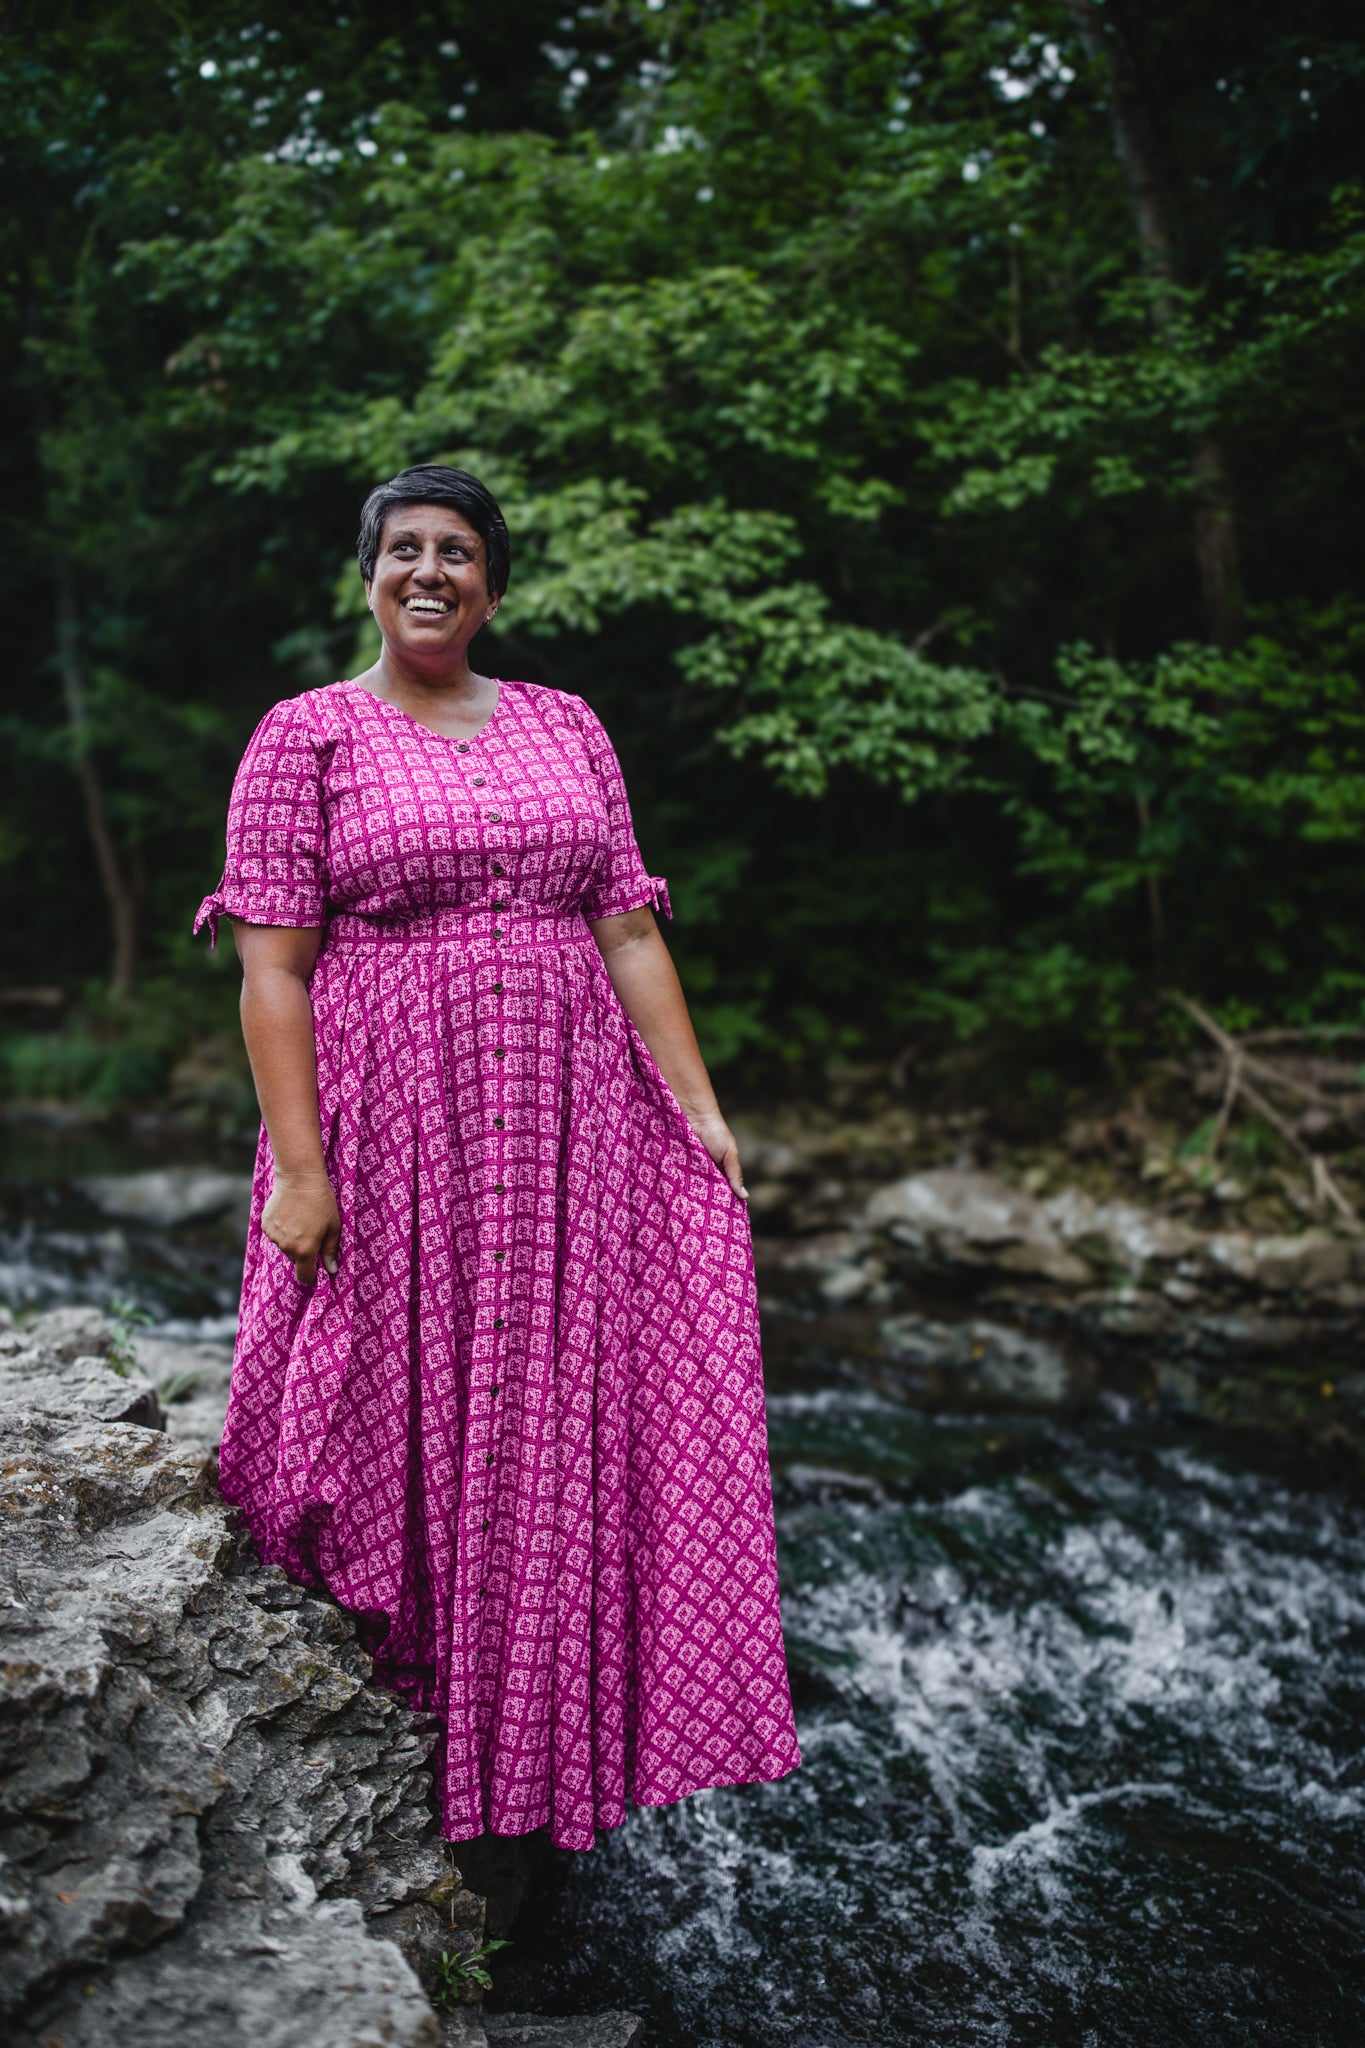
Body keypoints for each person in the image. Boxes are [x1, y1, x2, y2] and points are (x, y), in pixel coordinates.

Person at [196, 464, 800, 1852]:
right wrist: (300, 1171)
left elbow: (629, 928)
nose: (428, 571)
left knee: (546, 1408)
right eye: (402, 548)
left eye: (456, 551)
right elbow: (271, 972)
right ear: (366, 576)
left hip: (568, 1128)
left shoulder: (565, 724)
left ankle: (526, 1744)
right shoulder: (306, 734)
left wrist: (697, 1111)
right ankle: (415, 1693)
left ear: (492, 583)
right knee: (388, 1389)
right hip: (392, 1121)